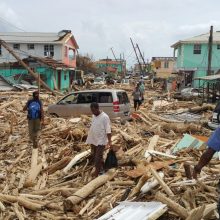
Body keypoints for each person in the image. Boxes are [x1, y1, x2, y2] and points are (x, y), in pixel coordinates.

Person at [86, 102, 112, 177]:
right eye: (92, 111)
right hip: (93, 139)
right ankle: (104, 168)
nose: (93, 112)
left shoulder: (105, 117)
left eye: (94, 110)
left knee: (97, 158)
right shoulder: (94, 116)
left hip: (101, 140)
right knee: (95, 156)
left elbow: (108, 130)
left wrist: (110, 141)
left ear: (97, 108)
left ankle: (97, 173)